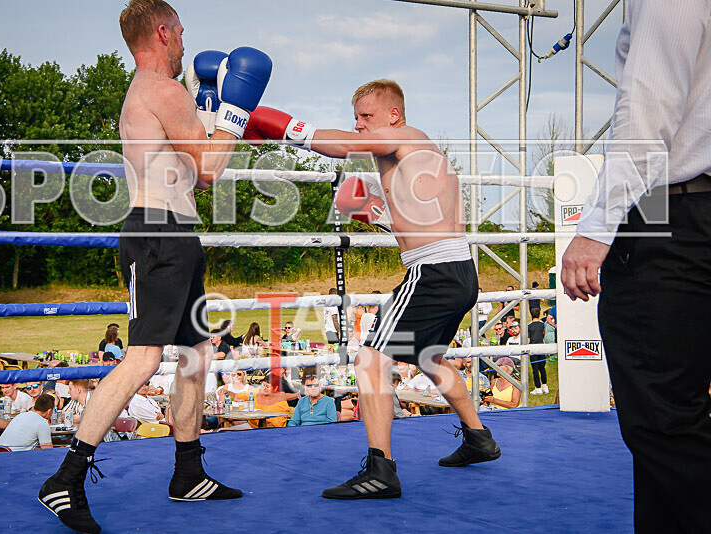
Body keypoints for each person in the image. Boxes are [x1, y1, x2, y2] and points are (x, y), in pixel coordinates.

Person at [38, 2, 272, 531]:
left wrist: (211, 108)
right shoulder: (162, 90)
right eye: (182, 32)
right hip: (157, 236)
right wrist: (233, 112)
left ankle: (187, 472)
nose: (187, 42)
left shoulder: (161, 94)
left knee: (196, 352)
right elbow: (210, 170)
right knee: (144, 358)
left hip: (176, 234)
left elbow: (193, 168)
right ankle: (66, 477)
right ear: (163, 33)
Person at [244, 78, 500, 498]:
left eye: (367, 116)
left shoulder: (406, 138)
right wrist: (363, 205)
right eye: (356, 118)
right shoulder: (413, 161)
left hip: (432, 272)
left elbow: (345, 146)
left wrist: (276, 125)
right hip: (456, 270)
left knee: (369, 362)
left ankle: (381, 470)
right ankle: (479, 438)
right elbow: (403, 218)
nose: (360, 126)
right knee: (429, 356)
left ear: (394, 115)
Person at [561, 3, 711, 531]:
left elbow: (647, 111)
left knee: (661, 415)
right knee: (671, 413)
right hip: (681, 208)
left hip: (669, 208)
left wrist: (596, 227)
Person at [527, 308, 548, 395]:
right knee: (542, 368)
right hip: (541, 347)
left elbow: (528, 339)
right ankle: (545, 386)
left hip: (533, 348)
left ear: (531, 315)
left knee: (535, 368)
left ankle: (537, 388)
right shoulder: (542, 324)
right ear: (539, 315)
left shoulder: (529, 326)